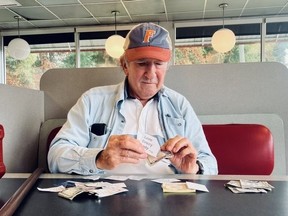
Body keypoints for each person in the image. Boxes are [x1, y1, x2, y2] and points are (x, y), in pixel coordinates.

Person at [48, 23, 218, 175]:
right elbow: (56, 155)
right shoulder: (92, 100)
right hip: (104, 199)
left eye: (158, 63)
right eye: (142, 63)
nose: (151, 73)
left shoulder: (179, 105)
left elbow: (210, 164)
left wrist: (194, 168)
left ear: (167, 66)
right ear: (125, 65)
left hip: (168, 199)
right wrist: (99, 158)